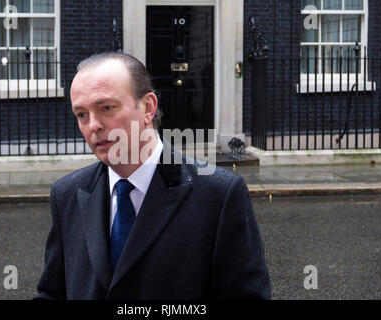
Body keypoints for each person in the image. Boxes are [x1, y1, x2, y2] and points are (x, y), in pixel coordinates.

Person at [34, 52, 271, 300]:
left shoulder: (219, 195)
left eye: (106, 108)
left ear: (148, 107)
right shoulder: (66, 193)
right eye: (82, 114)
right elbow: (52, 292)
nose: (93, 125)